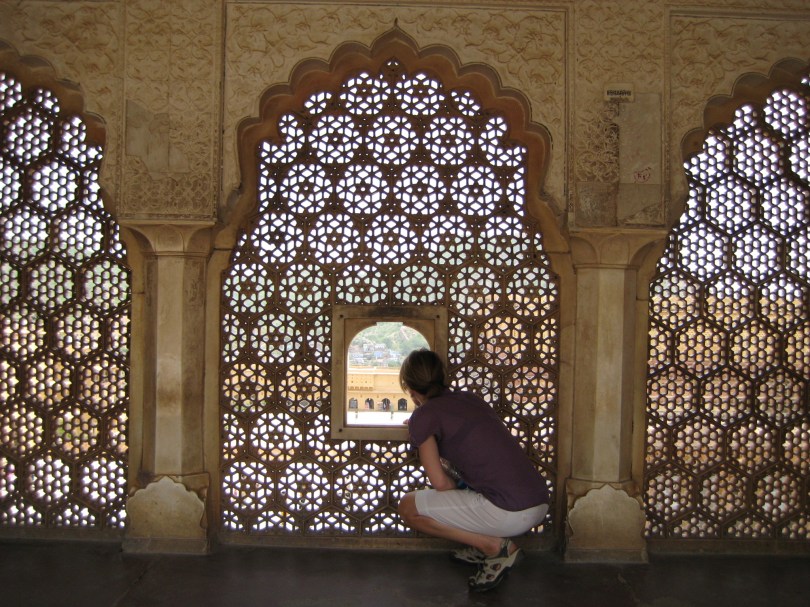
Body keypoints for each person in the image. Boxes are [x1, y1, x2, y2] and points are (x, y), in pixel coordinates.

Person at [397, 349, 550, 592]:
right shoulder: (469, 399)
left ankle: (492, 546)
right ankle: (484, 545)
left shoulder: (424, 416)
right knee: (464, 490)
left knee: (408, 507)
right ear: (441, 376)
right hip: (539, 503)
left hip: (507, 511)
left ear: (409, 388)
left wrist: (419, 425)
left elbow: (440, 483)